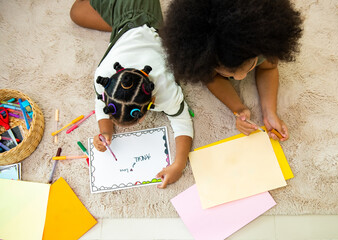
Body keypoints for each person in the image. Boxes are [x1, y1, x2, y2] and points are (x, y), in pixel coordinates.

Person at [70, 0, 193, 189]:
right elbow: (99, 102)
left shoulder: (165, 88)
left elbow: (182, 122)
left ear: (153, 101)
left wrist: (179, 164)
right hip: (128, 17)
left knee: (78, 13)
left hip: (140, 18)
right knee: (76, 13)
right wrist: (105, 131)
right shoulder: (102, 76)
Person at [160, 0, 303, 141]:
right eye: (228, 73)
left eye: (250, 66)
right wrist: (238, 108)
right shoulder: (206, 57)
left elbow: (269, 68)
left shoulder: (262, 47)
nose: (240, 77)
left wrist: (269, 112)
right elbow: (212, 79)